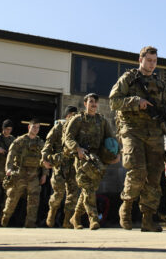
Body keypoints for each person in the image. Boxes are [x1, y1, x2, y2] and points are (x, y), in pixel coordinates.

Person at [109, 45, 166, 232]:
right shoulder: (129, 79)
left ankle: (148, 219)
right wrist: (136, 102)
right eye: (149, 60)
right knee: (138, 171)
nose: (152, 64)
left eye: (155, 61)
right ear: (141, 60)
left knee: (154, 177)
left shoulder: (160, 84)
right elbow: (113, 101)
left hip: (155, 133)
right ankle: (127, 207)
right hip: (132, 130)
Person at [63, 93, 118, 230]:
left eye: (95, 102)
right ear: (85, 103)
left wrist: (116, 154)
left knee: (90, 189)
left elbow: (111, 139)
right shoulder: (78, 119)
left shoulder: (102, 121)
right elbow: (68, 138)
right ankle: (93, 219)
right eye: (91, 101)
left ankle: (75, 217)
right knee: (87, 188)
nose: (94, 104)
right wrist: (77, 148)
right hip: (82, 158)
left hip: (97, 161)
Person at [1, 118, 49, 228]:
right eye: (34, 127)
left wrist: (44, 174)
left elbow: (45, 158)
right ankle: (5, 219)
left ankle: (30, 223)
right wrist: (8, 169)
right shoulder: (20, 141)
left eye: (38, 127)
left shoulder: (40, 143)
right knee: (12, 198)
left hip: (33, 175)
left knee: (34, 200)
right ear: (29, 127)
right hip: (19, 174)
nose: (36, 129)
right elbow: (11, 154)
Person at [42, 105, 80, 228]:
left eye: (76, 115)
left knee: (73, 194)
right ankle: (52, 213)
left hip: (73, 165)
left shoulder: (77, 129)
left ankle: (67, 220)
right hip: (60, 164)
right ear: (67, 116)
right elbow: (48, 144)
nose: (74, 117)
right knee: (58, 193)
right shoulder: (58, 127)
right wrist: (44, 158)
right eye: (72, 115)